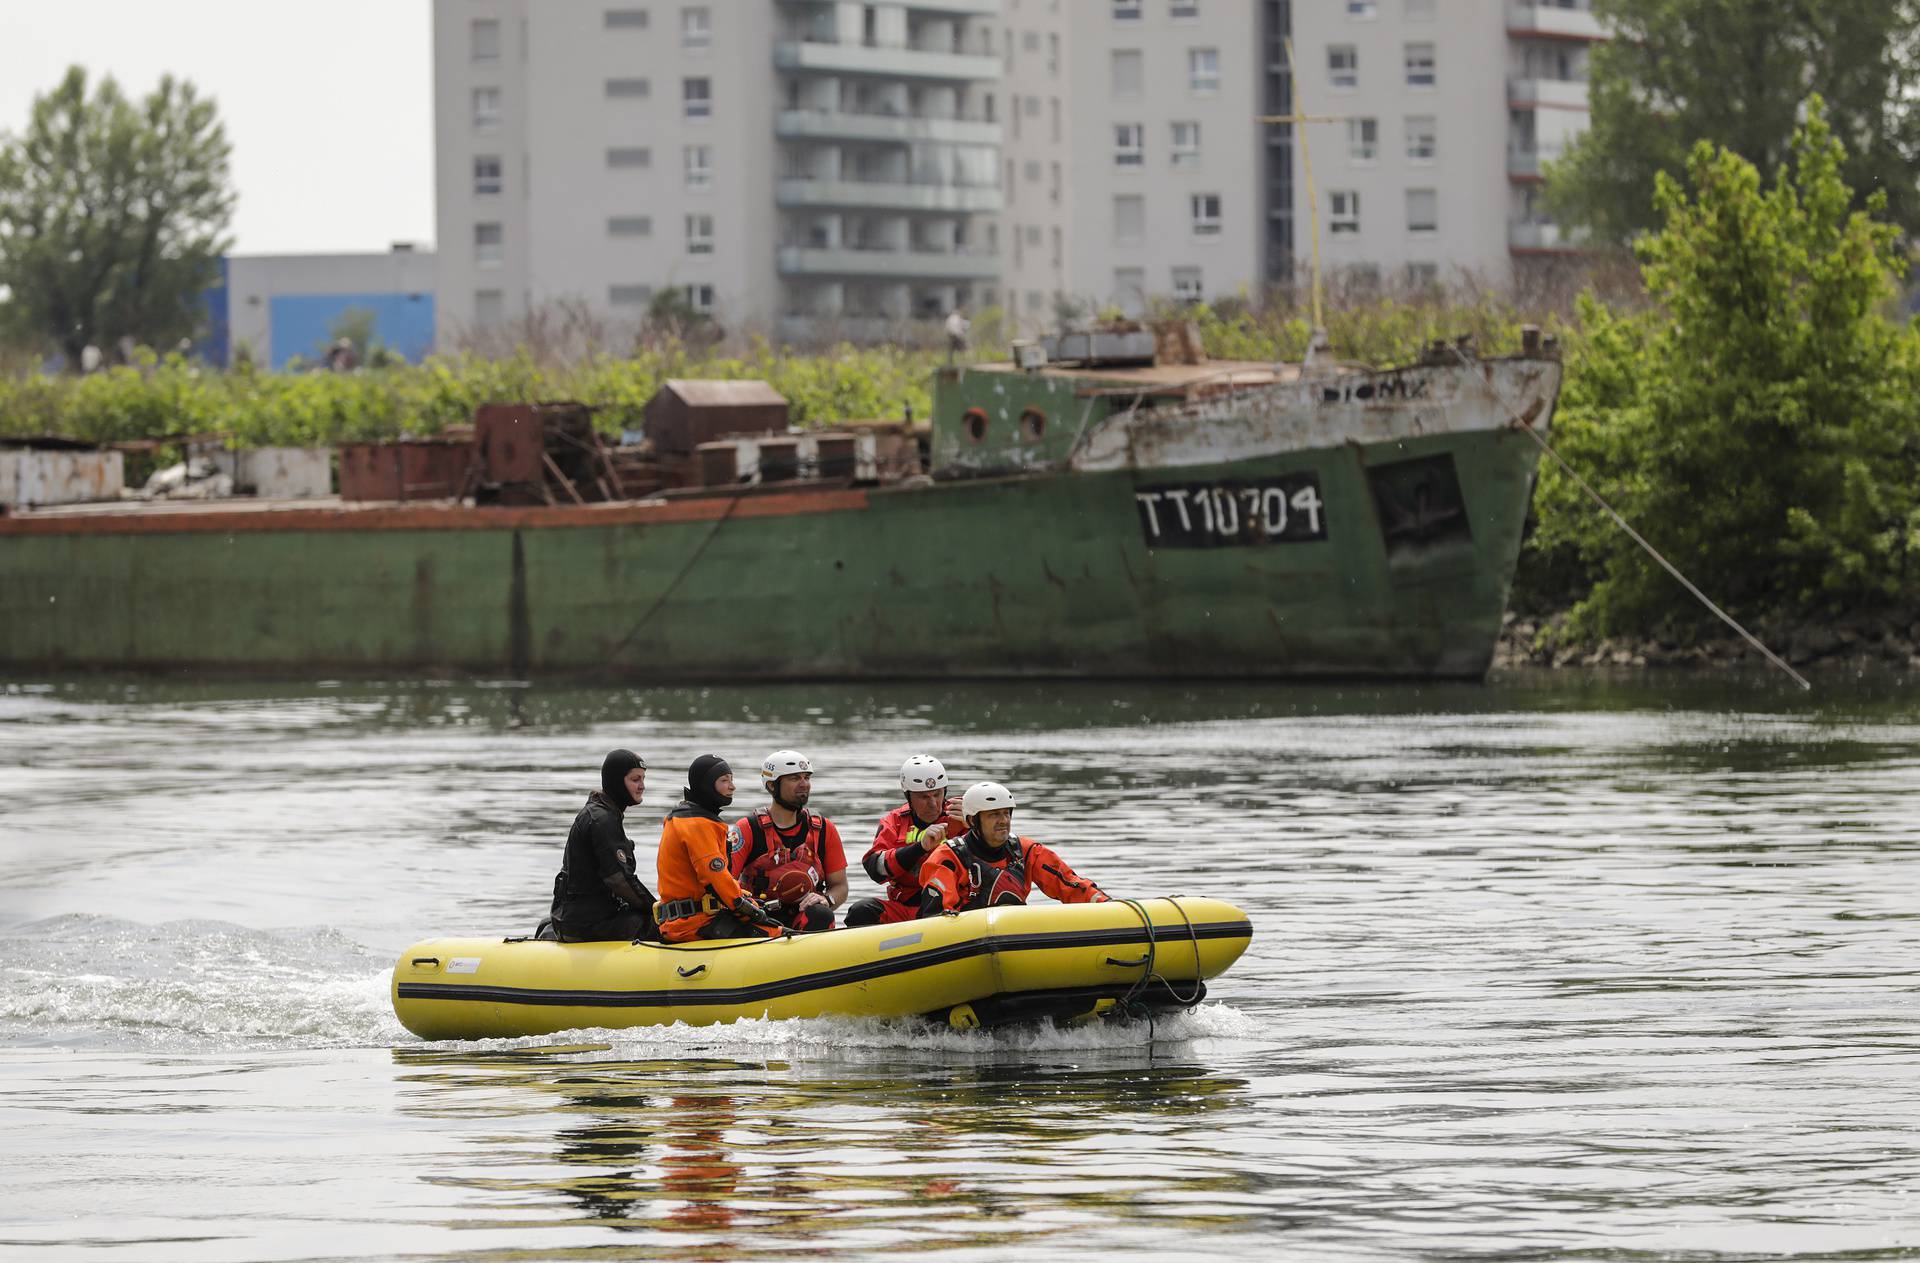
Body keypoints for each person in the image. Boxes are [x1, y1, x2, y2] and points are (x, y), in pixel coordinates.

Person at [918, 782, 1109, 916]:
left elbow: (1070, 884)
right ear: (972, 821)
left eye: (1006, 814)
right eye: (993, 815)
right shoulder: (947, 858)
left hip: (1012, 936)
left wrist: (1107, 906)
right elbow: (938, 916)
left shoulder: (1026, 851)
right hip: (965, 943)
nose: (1003, 821)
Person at [655, 755, 784, 942]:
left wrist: (746, 898)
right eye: (724, 780)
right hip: (692, 926)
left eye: (731, 780)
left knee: (771, 924)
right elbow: (714, 879)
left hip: (692, 921)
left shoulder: (686, 819)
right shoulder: (696, 824)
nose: (732, 786)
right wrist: (748, 909)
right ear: (706, 784)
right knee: (775, 934)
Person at [546, 749, 660, 942]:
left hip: (580, 918)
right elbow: (619, 880)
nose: (642, 786)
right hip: (589, 924)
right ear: (617, 781)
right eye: (635, 779)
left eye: (643, 779)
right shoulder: (602, 820)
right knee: (667, 927)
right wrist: (655, 909)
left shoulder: (601, 813)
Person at [729, 749, 848, 933]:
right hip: (759, 919)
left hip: (805, 918)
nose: (804, 784)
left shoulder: (824, 829)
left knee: (822, 914)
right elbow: (727, 881)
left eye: (806, 777)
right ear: (772, 786)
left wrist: (827, 900)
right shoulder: (748, 829)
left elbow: (840, 886)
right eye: (794, 778)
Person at [845, 754, 966, 927]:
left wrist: (977, 826)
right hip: (906, 908)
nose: (933, 804)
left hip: (955, 905)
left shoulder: (963, 815)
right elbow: (875, 867)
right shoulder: (894, 822)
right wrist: (920, 847)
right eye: (924, 797)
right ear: (908, 797)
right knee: (861, 911)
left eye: (937, 794)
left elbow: (998, 853)